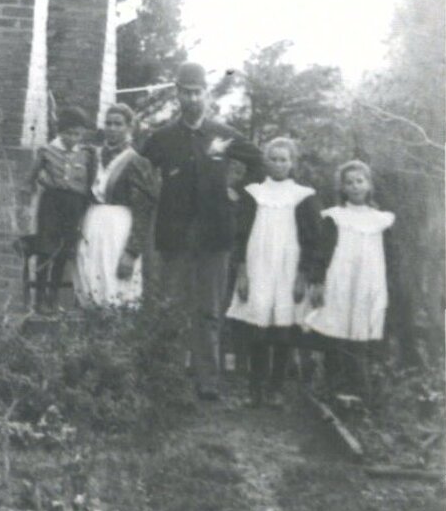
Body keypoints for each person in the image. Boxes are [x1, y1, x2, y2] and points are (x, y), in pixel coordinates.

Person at [138, 61, 265, 400]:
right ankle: (167, 377)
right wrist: (158, 194)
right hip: (175, 235)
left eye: (197, 92)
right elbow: (139, 170)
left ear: (206, 94)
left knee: (209, 309)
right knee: (171, 305)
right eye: (185, 92)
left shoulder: (222, 134)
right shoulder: (162, 138)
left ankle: (207, 381)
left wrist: (235, 191)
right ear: (177, 94)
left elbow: (258, 161)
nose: (192, 99)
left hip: (214, 235)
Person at [224, 136, 324, 406]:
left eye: (284, 159)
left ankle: (276, 388)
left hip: (288, 269)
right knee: (257, 327)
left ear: (292, 163)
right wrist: (242, 272)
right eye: (273, 158)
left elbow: (313, 240)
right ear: (265, 162)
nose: (278, 164)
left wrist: (304, 275)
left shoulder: (304, 196)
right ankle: (254, 389)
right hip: (258, 266)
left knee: (283, 329)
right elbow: (240, 235)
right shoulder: (253, 193)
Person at [302, 159, 395, 404]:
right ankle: (334, 390)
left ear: (369, 185)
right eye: (349, 183)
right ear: (342, 188)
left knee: (361, 333)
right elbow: (322, 253)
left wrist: (389, 284)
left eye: (359, 181)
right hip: (340, 279)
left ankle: (361, 394)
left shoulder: (381, 219)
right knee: (336, 330)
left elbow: (390, 256)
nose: (355, 187)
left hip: (368, 281)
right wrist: (318, 282)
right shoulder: (335, 217)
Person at [73, 104, 157, 309]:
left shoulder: (136, 162)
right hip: (92, 226)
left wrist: (131, 251)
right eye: (108, 123)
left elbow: (143, 211)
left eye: (118, 124)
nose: (112, 128)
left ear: (129, 127)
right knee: (90, 282)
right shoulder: (93, 157)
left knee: (116, 287)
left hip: (119, 230)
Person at [25, 105, 95, 313]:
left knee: (63, 250)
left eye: (77, 134)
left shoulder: (87, 154)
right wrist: (39, 183)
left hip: (74, 205)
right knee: (45, 249)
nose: (72, 138)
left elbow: (90, 183)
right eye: (68, 133)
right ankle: (39, 298)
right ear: (60, 131)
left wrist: (86, 205)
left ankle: (53, 297)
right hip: (51, 204)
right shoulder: (47, 151)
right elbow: (31, 178)